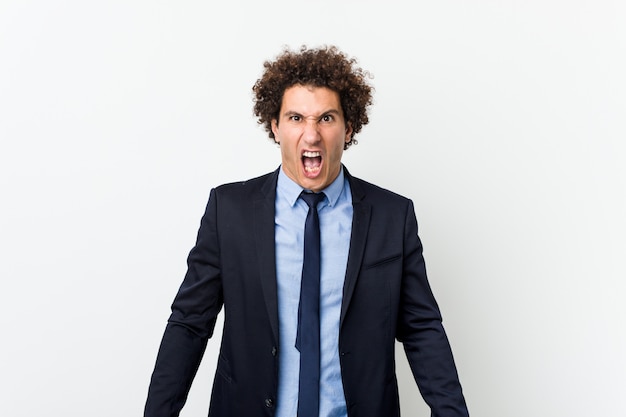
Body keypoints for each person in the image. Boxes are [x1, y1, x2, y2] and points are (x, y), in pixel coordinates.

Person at [144, 45, 469, 417]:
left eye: (326, 118)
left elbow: (422, 328)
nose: (311, 135)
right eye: (296, 118)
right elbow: (189, 323)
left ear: (349, 128)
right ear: (275, 126)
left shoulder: (392, 216)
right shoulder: (229, 210)